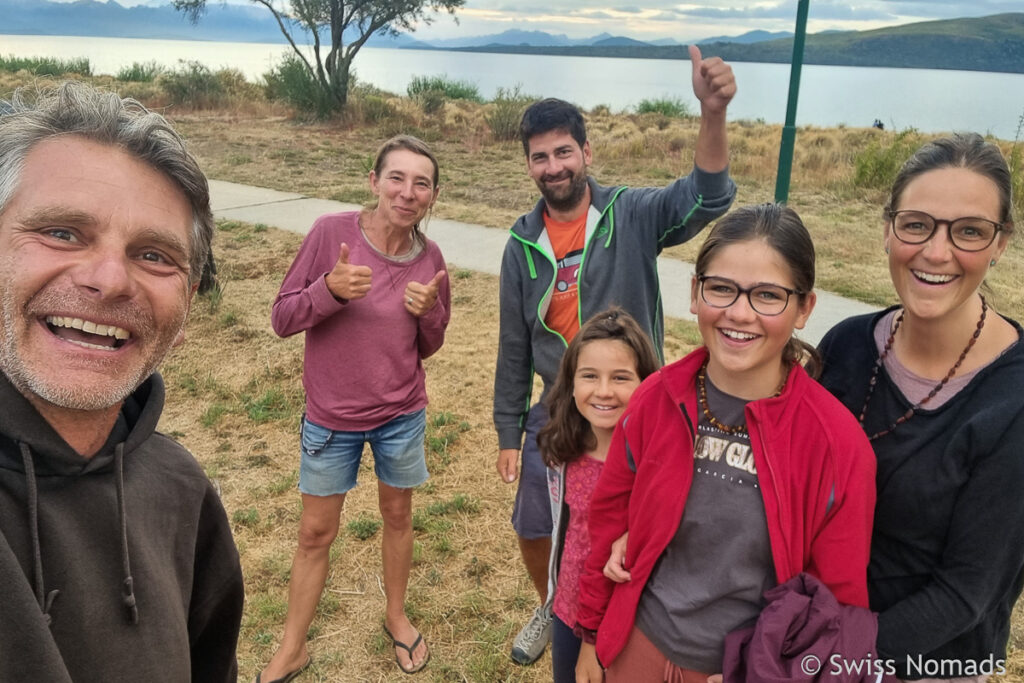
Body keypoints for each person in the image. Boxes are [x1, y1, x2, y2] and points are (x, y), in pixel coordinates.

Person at [495, 44, 739, 665]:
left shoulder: (630, 213)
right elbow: (514, 343)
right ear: (528, 165)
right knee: (536, 527)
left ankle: (625, 626)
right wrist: (506, 428)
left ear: (586, 154)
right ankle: (553, 602)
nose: (553, 166)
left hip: (632, 404)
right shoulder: (522, 243)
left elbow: (706, 198)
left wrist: (712, 114)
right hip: (556, 407)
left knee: (627, 532)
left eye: (563, 151)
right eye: (540, 156)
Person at [0, 81, 243, 681]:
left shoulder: (181, 492)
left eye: (154, 255)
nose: (109, 280)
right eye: (62, 232)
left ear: (185, 308)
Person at [574, 204, 877, 682]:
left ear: (804, 309)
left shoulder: (837, 444)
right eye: (721, 288)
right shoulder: (655, 400)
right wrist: (592, 634)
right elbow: (608, 523)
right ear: (695, 293)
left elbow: (836, 603)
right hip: (635, 645)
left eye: (768, 295)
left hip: (742, 667)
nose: (739, 313)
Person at [818, 133, 1023, 682]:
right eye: (917, 224)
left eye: (970, 232)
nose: (936, 252)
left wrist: (829, 663)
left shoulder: (1014, 400)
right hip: (813, 629)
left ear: (1001, 243)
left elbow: (965, 593)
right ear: (888, 229)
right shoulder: (845, 346)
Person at [262, 135, 450, 680]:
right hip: (330, 419)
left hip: (401, 415)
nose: (407, 192)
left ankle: (396, 616)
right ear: (374, 181)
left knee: (398, 516)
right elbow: (281, 318)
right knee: (315, 533)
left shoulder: (431, 259)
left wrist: (428, 312)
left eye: (421, 183)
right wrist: (329, 290)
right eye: (396, 177)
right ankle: (293, 646)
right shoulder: (330, 234)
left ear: (434, 196)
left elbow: (430, 344)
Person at [537, 307, 660, 682]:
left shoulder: (654, 461)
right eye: (589, 376)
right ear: (571, 382)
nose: (604, 391)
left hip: (631, 619)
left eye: (621, 377)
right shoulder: (565, 451)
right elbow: (566, 535)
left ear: (647, 383)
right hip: (568, 607)